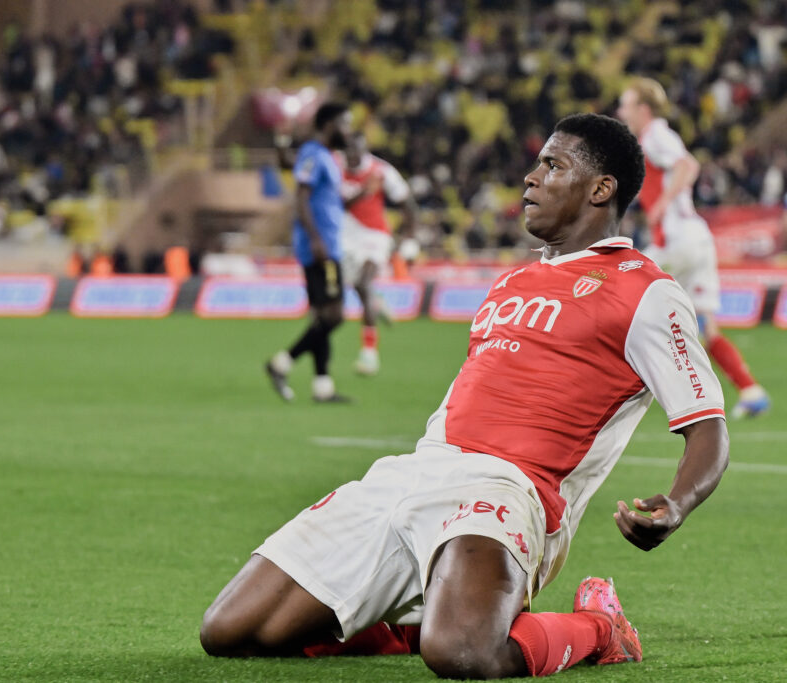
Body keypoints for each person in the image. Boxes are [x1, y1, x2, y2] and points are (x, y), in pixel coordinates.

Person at [202, 114, 730, 678]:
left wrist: (678, 503)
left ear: (601, 189)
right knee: (230, 631)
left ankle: (600, 629)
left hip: (511, 488)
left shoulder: (646, 291)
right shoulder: (511, 281)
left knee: (463, 653)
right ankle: (414, 624)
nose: (530, 177)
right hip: (414, 473)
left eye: (553, 165)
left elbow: (707, 424)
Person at [617, 77, 771, 418]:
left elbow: (688, 165)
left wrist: (662, 203)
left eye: (626, 105)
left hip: (677, 241)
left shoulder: (654, 135)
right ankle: (751, 391)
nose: (621, 112)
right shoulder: (656, 136)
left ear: (643, 109)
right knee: (705, 326)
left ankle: (611, 392)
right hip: (696, 239)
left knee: (623, 295)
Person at [265, 103, 353, 403]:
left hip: (326, 243)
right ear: (328, 125)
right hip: (321, 247)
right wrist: (316, 240)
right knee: (334, 316)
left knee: (321, 317)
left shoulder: (321, 155)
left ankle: (322, 387)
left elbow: (290, 165)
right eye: (344, 123)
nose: (348, 131)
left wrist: (281, 142)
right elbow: (301, 197)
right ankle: (281, 363)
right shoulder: (315, 154)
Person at [336, 131, 420, 376]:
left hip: (375, 236)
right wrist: (363, 192)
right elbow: (337, 204)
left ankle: (369, 353)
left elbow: (408, 205)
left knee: (363, 283)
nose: (351, 157)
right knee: (357, 286)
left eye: (356, 152)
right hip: (346, 236)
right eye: (347, 152)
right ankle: (375, 302)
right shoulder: (335, 167)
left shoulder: (382, 171)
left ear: (363, 151)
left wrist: (410, 238)